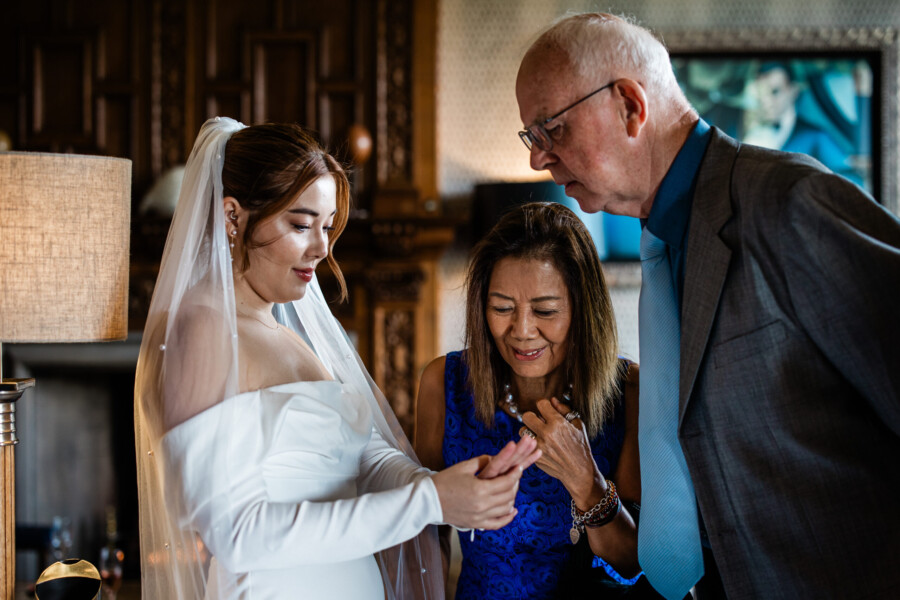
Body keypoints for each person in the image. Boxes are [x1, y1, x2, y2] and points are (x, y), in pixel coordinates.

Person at [516, 13, 900, 600]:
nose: (538, 160)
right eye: (532, 138)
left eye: (552, 130)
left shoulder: (788, 205)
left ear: (629, 105)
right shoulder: (663, 246)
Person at [133, 117, 540, 599]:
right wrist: (427, 501)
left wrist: (442, 485)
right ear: (232, 216)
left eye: (327, 227)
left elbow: (358, 459)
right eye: (301, 224)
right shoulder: (200, 329)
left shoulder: (287, 334)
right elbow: (235, 535)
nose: (322, 248)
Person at [416, 202, 654, 599]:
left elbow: (632, 564)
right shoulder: (445, 383)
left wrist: (587, 482)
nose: (522, 331)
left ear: (582, 310)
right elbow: (425, 538)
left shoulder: (629, 392)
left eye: (545, 310)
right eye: (502, 308)